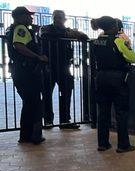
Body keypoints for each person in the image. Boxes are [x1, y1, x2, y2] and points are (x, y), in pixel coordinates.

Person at [91, 16, 135, 153]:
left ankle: (103, 144)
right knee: (121, 112)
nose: (118, 27)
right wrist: (128, 47)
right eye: (116, 25)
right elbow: (133, 58)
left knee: (103, 112)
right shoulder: (118, 41)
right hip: (117, 78)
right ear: (112, 27)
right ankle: (123, 145)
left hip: (101, 77)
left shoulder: (96, 42)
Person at [40, 10, 88, 129]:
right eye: (56, 17)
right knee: (47, 95)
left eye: (61, 17)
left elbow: (84, 37)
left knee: (66, 94)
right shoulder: (46, 29)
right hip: (49, 67)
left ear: (64, 19)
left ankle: (65, 120)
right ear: (53, 18)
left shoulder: (67, 30)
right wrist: (69, 34)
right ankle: (48, 121)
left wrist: (74, 32)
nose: (58, 19)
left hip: (63, 67)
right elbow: (45, 36)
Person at [6, 7, 47, 144]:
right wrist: (38, 56)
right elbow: (19, 45)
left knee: (29, 103)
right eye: (28, 16)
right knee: (34, 103)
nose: (31, 18)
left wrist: (33, 33)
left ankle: (26, 135)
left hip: (21, 71)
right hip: (26, 72)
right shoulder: (20, 29)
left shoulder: (16, 29)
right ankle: (34, 136)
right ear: (20, 17)